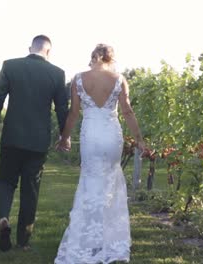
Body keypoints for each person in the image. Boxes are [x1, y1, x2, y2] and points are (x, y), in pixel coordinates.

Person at [54, 44, 147, 263]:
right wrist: (139, 139)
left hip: (90, 135)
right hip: (111, 135)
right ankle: (111, 241)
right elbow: (127, 111)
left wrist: (65, 137)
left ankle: (89, 240)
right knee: (110, 182)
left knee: (90, 182)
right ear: (111, 58)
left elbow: (73, 113)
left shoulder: (78, 78)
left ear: (93, 56)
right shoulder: (119, 78)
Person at [0, 35, 69, 251]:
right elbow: (61, 109)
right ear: (48, 52)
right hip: (38, 142)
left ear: (30, 48)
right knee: (30, 190)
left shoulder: (10, 66)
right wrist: (64, 135)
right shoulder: (57, 74)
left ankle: (3, 217)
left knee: (5, 181)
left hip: (12, 137)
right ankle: (23, 241)